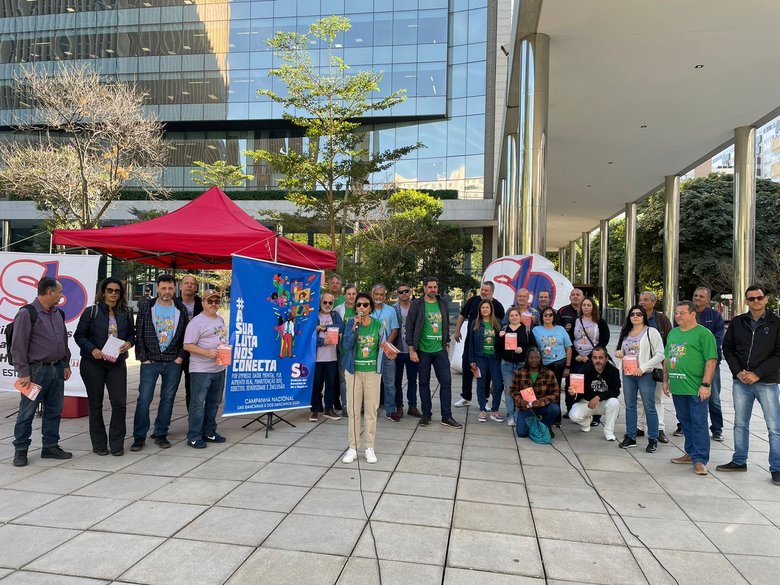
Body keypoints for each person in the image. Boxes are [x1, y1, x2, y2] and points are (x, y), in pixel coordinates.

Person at [718, 286, 780, 486]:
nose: (755, 301)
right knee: (740, 424)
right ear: (746, 301)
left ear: (766, 299)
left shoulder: (776, 323)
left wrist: (757, 374)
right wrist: (738, 372)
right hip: (741, 382)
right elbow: (728, 348)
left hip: (767, 382)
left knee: (774, 427)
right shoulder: (738, 322)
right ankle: (739, 460)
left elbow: (779, 353)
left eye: (759, 298)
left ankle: (777, 468)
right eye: (751, 298)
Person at [11, 278, 72, 467]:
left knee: (54, 410)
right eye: (59, 292)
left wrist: (66, 363)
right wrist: (23, 372)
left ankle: (50, 446)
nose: (62, 295)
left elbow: (63, 340)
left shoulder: (58, 313)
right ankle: (21, 450)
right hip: (36, 371)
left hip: (56, 368)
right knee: (27, 412)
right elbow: (18, 346)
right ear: (49, 292)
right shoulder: (27, 313)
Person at [74, 277, 135, 456]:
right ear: (103, 292)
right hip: (93, 363)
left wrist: (129, 343)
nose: (113, 294)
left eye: (117, 291)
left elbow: (132, 334)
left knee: (119, 402)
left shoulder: (127, 312)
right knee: (95, 404)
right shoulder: (91, 312)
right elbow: (79, 336)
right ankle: (99, 444)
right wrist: (92, 349)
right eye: (110, 290)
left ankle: (116, 444)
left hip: (117, 362)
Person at [131, 273, 189, 451]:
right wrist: (143, 358)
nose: (167, 291)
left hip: (173, 361)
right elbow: (138, 333)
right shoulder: (147, 306)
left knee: (168, 399)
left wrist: (180, 357)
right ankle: (139, 437)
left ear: (175, 289)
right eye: (163, 288)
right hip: (151, 361)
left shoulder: (181, 308)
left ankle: (161, 433)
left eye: (170, 288)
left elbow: (186, 335)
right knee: (144, 399)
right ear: (158, 288)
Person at [664, 301, 718, 476]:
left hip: (696, 388)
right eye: (676, 313)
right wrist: (665, 380)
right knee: (685, 421)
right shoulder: (673, 333)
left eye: (681, 313)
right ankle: (690, 452)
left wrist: (705, 385)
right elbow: (667, 358)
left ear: (692, 314)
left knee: (699, 423)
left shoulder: (704, 334)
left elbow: (711, 360)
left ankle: (700, 459)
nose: (677, 316)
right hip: (678, 387)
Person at [406, 277, 462, 428]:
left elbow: (445, 323)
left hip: (440, 351)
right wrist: (411, 349)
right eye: (430, 287)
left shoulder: (442, 303)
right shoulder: (417, 304)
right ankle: (426, 415)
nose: (433, 290)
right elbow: (409, 327)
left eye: (435, 287)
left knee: (446, 382)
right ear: (424, 288)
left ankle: (447, 416)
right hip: (423, 351)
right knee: (423, 383)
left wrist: (447, 342)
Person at [341, 292, 388, 464]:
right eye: (359, 305)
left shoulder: (378, 324)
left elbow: (383, 346)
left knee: (371, 411)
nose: (362, 307)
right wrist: (354, 328)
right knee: (353, 411)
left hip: (372, 373)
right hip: (354, 372)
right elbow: (346, 345)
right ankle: (353, 448)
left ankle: (369, 447)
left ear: (371, 308)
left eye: (365, 305)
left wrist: (383, 365)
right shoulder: (350, 323)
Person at [614, 305, 664, 453]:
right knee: (630, 405)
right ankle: (631, 436)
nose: (635, 316)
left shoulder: (651, 332)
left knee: (649, 406)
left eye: (639, 314)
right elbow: (622, 350)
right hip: (628, 373)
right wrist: (619, 353)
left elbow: (660, 354)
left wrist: (642, 368)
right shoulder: (625, 332)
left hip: (645, 374)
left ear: (644, 316)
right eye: (632, 314)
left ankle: (653, 439)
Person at [182, 289, 228, 448]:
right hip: (201, 370)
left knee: (214, 403)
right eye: (210, 301)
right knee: (197, 403)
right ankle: (194, 436)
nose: (214, 304)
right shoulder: (196, 322)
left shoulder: (220, 319)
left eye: (216, 301)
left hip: (219, 368)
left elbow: (220, 339)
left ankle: (209, 432)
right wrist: (207, 352)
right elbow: (187, 345)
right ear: (203, 303)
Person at [454, 281, 505, 407]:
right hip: (471, 342)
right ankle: (466, 397)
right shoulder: (473, 301)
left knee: (485, 374)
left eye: (486, 290)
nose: (483, 292)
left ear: (492, 291)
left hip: (489, 346)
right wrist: (457, 330)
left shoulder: (498, 306)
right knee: (467, 368)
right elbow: (462, 315)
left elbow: (502, 325)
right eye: (482, 289)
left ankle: (485, 399)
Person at [689, 287, 726, 441]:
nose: (698, 298)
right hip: (690, 363)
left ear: (708, 299)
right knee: (689, 395)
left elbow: (718, 338)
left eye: (701, 296)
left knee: (714, 397)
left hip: (710, 363)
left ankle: (717, 429)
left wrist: (703, 353)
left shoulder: (715, 316)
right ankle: (684, 425)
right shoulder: (687, 314)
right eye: (695, 295)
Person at [637, 291, 673, 443]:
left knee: (657, 398)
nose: (642, 302)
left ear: (653, 302)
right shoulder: (635, 316)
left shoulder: (662, 319)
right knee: (639, 398)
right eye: (640, 300)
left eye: (646, 300)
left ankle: (659, 429)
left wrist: (668, 365)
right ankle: (639, 426)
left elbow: (670, 341)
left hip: (658, 364)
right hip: (638, 364)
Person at [568, 346, 621, 441]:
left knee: (615, 402)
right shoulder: (585, 370)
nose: (598, 361)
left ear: (606, 359)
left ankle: (609, 432)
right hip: (586, 402)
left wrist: (599, 397)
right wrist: (573, 393)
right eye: (595, 358)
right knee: (573, 415)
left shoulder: (613, 371)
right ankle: (586, 422)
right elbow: (577, 390)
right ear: (591, 358)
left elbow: (616, 391)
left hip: (604, 403)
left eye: (601, 358)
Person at [570, 297, 610, 422]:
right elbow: (570, 339)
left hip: (594, 359)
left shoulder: (600, 322)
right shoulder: (575, 321)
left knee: (595, 385)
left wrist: (590, 356)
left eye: (589, 305)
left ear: (593, 307)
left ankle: (596, 417)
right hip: (577, 358)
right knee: (576, 385)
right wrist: (577, 354)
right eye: (584, 305)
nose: (586, 307)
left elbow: (604, 340)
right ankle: (576, 410)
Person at [531, 306, 572, 423]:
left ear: (554, 317)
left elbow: (568, 348)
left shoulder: (560, 329)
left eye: (550, 315)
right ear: (542, 317)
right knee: (541, 391)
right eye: (545, 315)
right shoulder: (536, 330)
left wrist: (567, 366)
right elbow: (533, 348)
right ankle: (541, 414)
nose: (548, 317)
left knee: (556, 391)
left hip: (558, 364)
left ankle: (556, 418)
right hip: (543, 365)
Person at [509, 347, 561, 439]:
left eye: (537, 357)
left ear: (540, 359)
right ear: (527, 359)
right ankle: (535, 423)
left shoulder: (549, 373)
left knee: (555, 409)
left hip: (542, 406)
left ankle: (545, 426)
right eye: (531, 357)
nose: (534, 360)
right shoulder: (519, 373)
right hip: (526, 407)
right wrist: (520, 400)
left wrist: (540, 402)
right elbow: (512, 390)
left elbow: (556, 393)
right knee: (521, 433)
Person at [469, 299, 504, 423]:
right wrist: (471, 360)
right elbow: (470, 343)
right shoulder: (475, 323)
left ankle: (495, 410)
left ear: (491, 309)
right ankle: (482, 409)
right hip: (480, 358)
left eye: (487, 307)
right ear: (480, 310)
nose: (485, 309)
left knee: (498, 384)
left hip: (495, 358)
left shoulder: (498, 323)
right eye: (483, 307)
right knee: (481, 384)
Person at [310, 293, 343, 422]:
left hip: (332, 357)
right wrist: (322, 341)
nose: (328, 305)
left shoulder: (335, 315)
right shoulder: (314, 316)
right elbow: (309, 333)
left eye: (330, 303)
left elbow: (341, 327)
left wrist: (324, 328)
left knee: (331, 385)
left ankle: (329, 409)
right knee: (316, 384)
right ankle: (315, 410)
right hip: (317, 357)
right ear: (320, 302)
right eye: (325, 302)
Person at [370, 284, 400, 421]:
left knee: (389, 383)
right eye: (376, 294)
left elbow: (395, 330)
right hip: (370, 352)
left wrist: (385, 345)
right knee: (370, 382)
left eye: (381, 294)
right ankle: (369, 408)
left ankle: (390, 410)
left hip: (387, 352)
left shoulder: (391, 310)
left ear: (385, 296)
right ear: (372, 295)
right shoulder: (366, 309)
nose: (379, 297)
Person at [498, 307, 532, 427]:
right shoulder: (504, 329)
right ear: (508, 317)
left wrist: (522, 349)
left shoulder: (526, 329)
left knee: (521, 390)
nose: (514, 317)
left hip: (521, 364)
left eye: (516, 315)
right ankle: (511, 415)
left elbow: (532, 345)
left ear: (520, 316)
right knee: (508, 390)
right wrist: (500, 337)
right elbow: (498, 347)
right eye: (511, 316)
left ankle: (519, 414)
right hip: (506, 364)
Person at [393, 284, 421, 417]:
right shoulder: (393, 309)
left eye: (406, 291)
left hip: (412, 350)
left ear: (410, 292)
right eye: (401, 292)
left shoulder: (417, 307)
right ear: (397, 293)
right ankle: (399, 406)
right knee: (397, 381)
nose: (404, 293)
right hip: (397, 350)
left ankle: (413, 406)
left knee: (412, 379)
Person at [176, 274, 202, 412]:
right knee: (170, 390)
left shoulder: (202, 304)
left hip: (196, 352)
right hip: (176, 352)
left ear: (196, 287)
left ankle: (193, 420)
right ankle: (161, 426)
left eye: (192, 283)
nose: (189, 285)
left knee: (192, 389)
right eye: (186, 283)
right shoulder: (173, 304)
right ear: (180, 286)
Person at [334, 284, 357, 416]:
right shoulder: (338, 310)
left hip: (358, 349)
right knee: (343, 379)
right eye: (349, 294)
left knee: (358, 378)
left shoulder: (361, 308)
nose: (351, 296)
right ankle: (345, 406)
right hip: (343, 349)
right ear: (345, 295)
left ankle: (358, 405)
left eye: (354, 294)